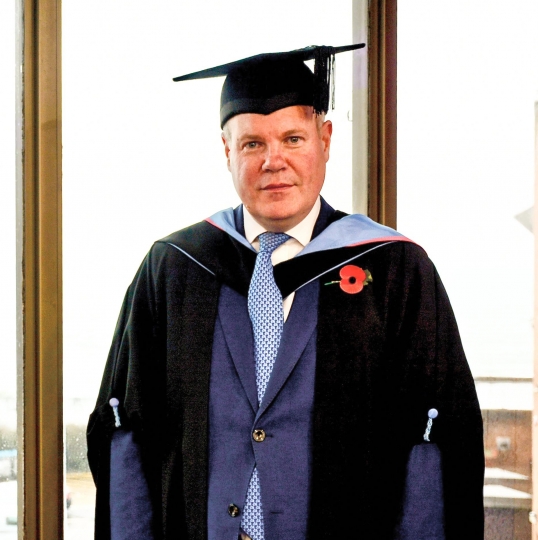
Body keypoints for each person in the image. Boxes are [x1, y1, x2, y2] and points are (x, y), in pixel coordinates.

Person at [87, 44, 484, 540]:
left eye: (292, 138)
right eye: (253, 143)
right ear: (227, 152)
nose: (274, 161)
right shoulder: (172, 269)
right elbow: (127, 439)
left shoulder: (397, 271)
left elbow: (435, 448)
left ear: (325, 140)